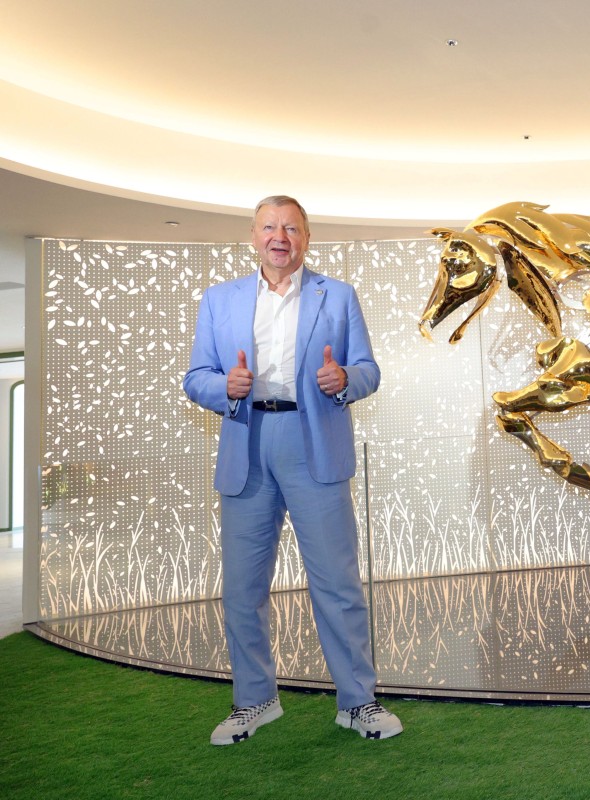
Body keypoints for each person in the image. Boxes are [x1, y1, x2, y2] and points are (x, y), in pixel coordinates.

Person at [184, 195, 401, 745]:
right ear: (253, 236)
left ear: (306, 238)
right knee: (242, 589)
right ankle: (254, 701)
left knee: (337, 583)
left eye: (292, 228)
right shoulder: (219, 300)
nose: (280, 236)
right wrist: (222, 387)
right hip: (245, 441)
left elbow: (369, 370)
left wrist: (344, 379)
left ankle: (358, 703)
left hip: (314, 444)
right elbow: (197, 377)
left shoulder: (339, 296)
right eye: (269, 227)